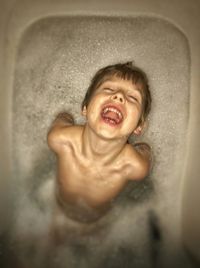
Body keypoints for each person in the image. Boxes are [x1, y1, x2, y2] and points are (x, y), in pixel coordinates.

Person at [47, 62, 152, 227]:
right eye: (109, 89)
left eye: (132, 97)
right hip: (58, 209)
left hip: (97, 221)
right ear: (86, 108)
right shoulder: (60, 139)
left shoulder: (135, 166)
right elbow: (63, 117)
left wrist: (142, 149)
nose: (119, 96)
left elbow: (145, 150)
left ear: (139, 127)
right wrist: (65, 116)